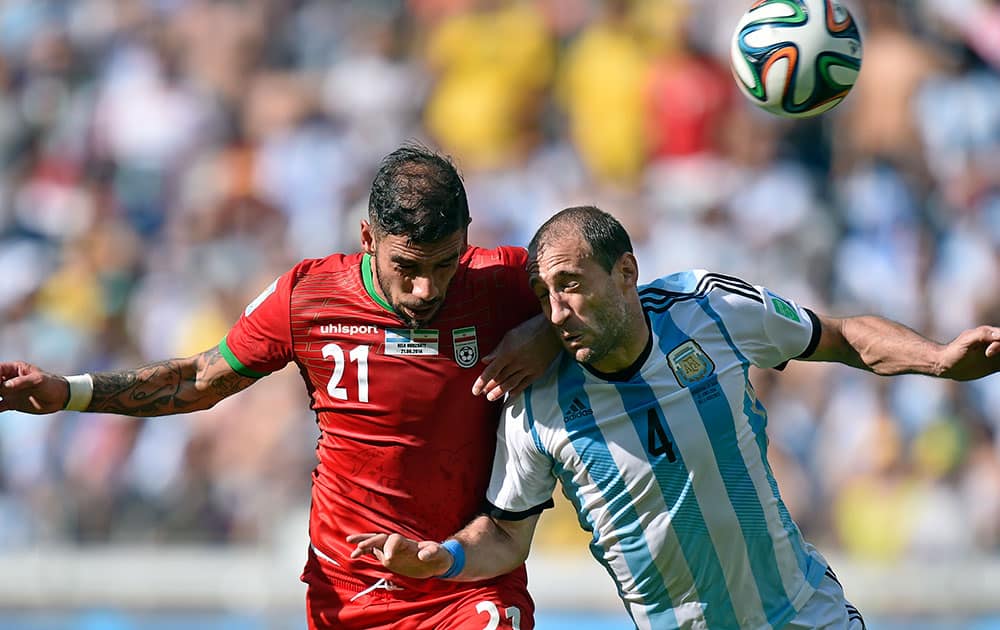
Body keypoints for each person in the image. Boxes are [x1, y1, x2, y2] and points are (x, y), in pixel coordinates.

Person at [348, 205, 1000, 629]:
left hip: (807, 618)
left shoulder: (709, 309)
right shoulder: (538, 405)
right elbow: (506, 535)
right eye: (544, 295)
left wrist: (938, 359)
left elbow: (842, 335)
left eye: (571, 283)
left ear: (627, 271)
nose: (556, 309)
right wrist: (443, 558)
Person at [0, 145, 563, 630]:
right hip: (351, 585)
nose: (426, 288)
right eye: (407, 266)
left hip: (469, 572)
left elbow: (622, 306)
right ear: (368, 237)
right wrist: (68, 392)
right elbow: (201, 379)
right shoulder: (308, 297)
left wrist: (550, 331)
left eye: (445, 264)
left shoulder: (503, 280)